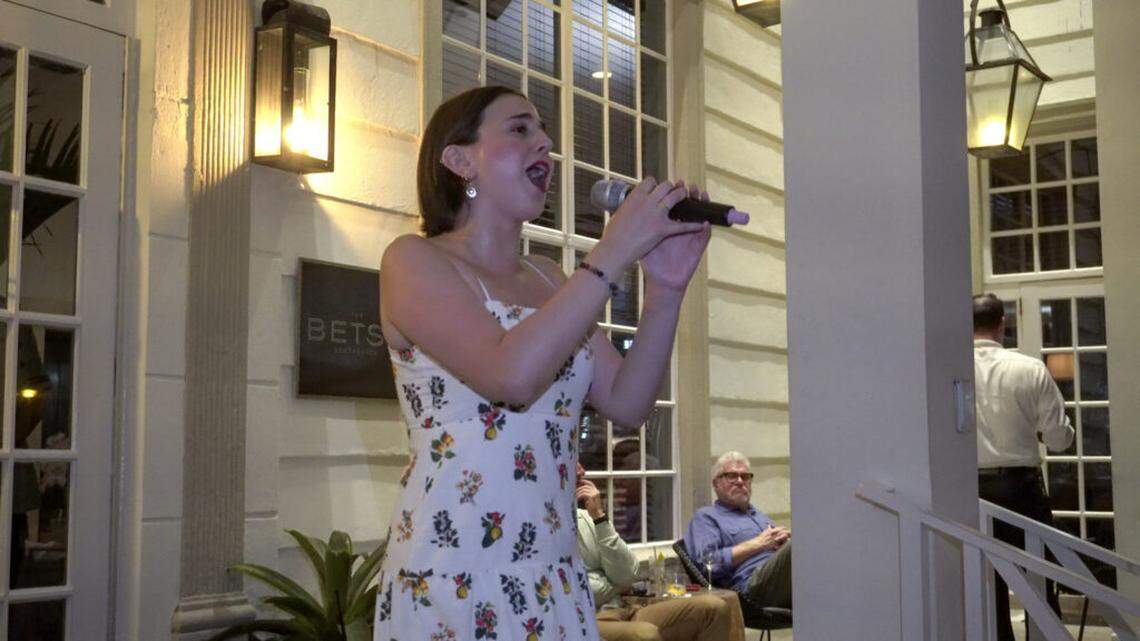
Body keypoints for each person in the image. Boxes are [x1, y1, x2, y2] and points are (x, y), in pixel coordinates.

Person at [374, 85, 735, 641]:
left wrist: (665, 288)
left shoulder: (550, 279)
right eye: (520, 128)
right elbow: (510, 376)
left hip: (552, 570)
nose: (544, 143)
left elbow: (629, 402)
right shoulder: (412, 260)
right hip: (453, 570)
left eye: (543, 131)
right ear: (459, 159)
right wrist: (612, 251)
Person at [973, 293, 1074, 641]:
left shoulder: (950, 369)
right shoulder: (1029, 368)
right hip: (1020, 488)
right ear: (1003, 324)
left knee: (984, 580)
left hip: (968, 489)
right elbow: (1060, 438)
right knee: (1037, 574)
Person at [574, 464, 732, 641]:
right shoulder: (543, 529)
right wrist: (616, 585)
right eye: (573, 463)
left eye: (580, 465)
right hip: (586, 620)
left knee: (714, 607)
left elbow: (628, 574)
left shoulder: (588, 517)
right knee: (645, 635)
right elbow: (579, 589)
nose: (582, 471)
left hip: (625, 609)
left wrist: (599, 517)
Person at [684, 451, 791, 618]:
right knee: (802, 543)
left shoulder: (760, 517)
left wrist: (781, 545)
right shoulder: (706, 517)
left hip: (785, 584)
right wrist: (758, 544)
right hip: (749, 591)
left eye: (745, 476)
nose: (740, 481)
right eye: (732, 476)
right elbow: (707, 564)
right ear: (716, 483)